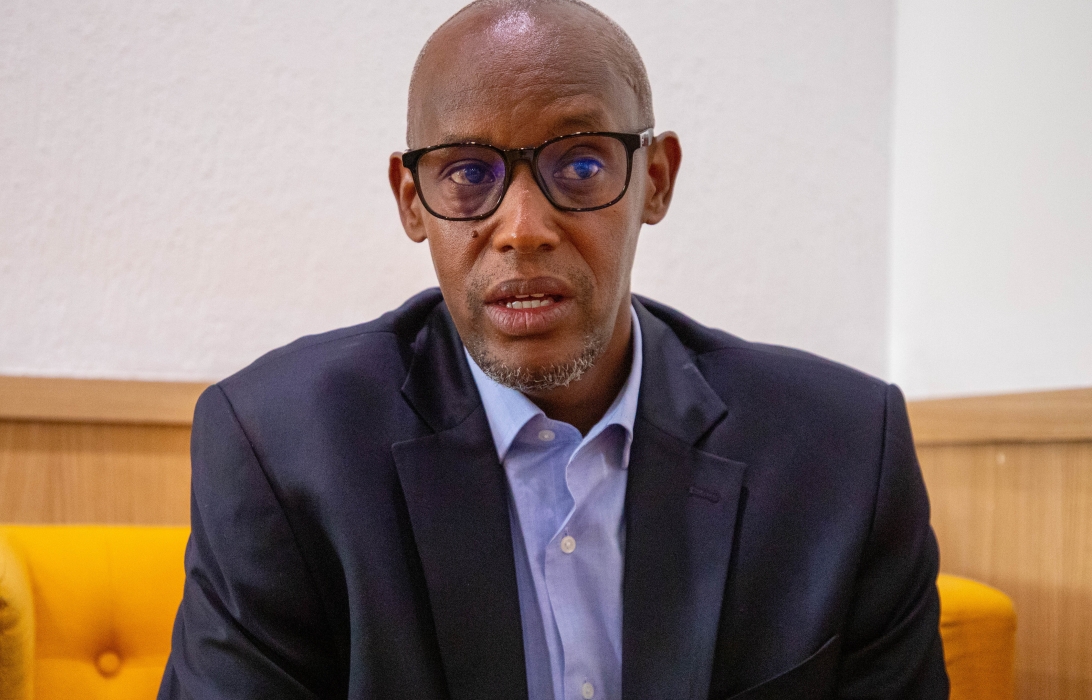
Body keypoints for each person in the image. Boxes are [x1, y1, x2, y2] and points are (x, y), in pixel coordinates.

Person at [158, 1, 949, 698]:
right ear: (412, 201)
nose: (524, 228)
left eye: (580, 164)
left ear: (656, 180)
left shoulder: (845, 455)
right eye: (468, 173)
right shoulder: (281, 450)